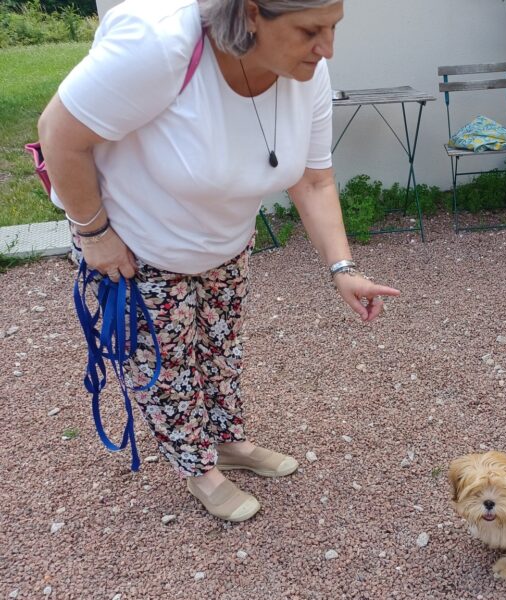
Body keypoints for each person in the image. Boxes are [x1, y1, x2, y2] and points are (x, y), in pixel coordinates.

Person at [37, 0, 399, 522]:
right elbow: (58, 135)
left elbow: (313, 177)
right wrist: (94, 233)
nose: (328, 48)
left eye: (334, 28)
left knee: (220, 351)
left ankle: (228, 443)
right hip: (136, 246)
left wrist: (343, 269)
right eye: (310, 30)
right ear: (251, 13)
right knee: (169, 367)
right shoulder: (159, 45)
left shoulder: (305, 70)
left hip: (224, 242)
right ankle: (198, 469)